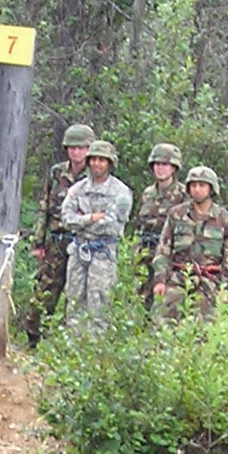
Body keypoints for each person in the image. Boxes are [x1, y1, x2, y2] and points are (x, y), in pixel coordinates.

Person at [27, 121, 92, 347]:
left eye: (81, 148)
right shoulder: (57, 173)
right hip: (55, 241)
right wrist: (38, 241)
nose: (76, 152)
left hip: (80, 242)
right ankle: (33, 339)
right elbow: (43, 206)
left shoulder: (94, 176)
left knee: (76, 295)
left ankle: (66, 345)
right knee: (44, 290)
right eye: (72, 147)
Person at [59, 138, 133, 336]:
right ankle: (73, 344)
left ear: (110, 163)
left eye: (102, 160)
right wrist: (91, 218)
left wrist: (81, 220)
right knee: (74, 300)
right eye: (93, 159)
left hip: (103, 253)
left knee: (99, 302)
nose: (97, 164)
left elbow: (111, 224)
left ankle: (96, 346)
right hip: (78, 251)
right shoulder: (78, 189)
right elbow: (66, 219)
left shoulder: (120, 192)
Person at [154, 164, 228, 318]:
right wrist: (160, 280)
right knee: (162, 321)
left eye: (202, 185)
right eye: (193, 185)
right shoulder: (176, 214)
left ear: (211, 188)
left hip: (209, 283)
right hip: (177, 280)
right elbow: (163, 249)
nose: (197, 189)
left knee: (207, 326)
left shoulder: (224, 219)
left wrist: (225, 288)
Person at [135, 142, 184, 302]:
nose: (160, 168)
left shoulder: (183, 195)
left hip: (169, 259)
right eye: (157, 164)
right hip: (144, 255)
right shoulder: (147, 194)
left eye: (165, 164)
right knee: (139, 301)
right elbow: (138, 225)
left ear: (173, 167)